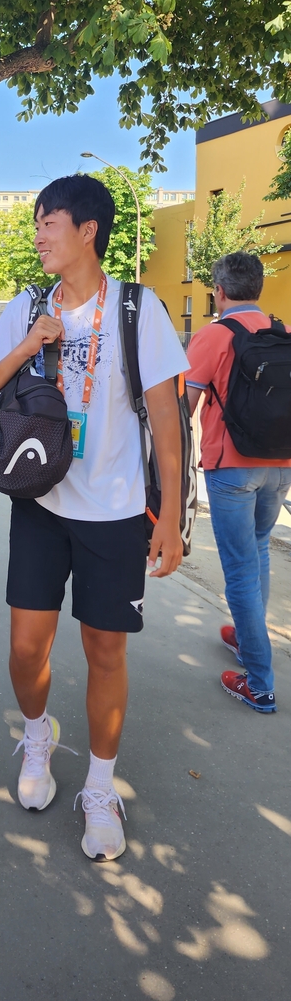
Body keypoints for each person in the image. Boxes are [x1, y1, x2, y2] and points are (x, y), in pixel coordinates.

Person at [0, 174, 188, 862]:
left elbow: (164, 420)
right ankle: (38, 735)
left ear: (87, 230)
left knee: (104, 650)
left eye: (47, 223)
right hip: (41, 503)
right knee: (28, 648)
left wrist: (171, 514)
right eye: (35, 223)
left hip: (116, 513)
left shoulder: (136, 309)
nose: (37, 236)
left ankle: (98, 786)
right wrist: (32, 343)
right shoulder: (27, 307)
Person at [185, 251, 291, 714]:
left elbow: (180, 408)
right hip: (281, 463)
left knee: (240, 570)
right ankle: (249, 645)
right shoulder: (283, 334)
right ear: (260, 289)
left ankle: (260, 683)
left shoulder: (213, 336)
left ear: (219, 291)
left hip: (232, 467)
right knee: (260, 548)